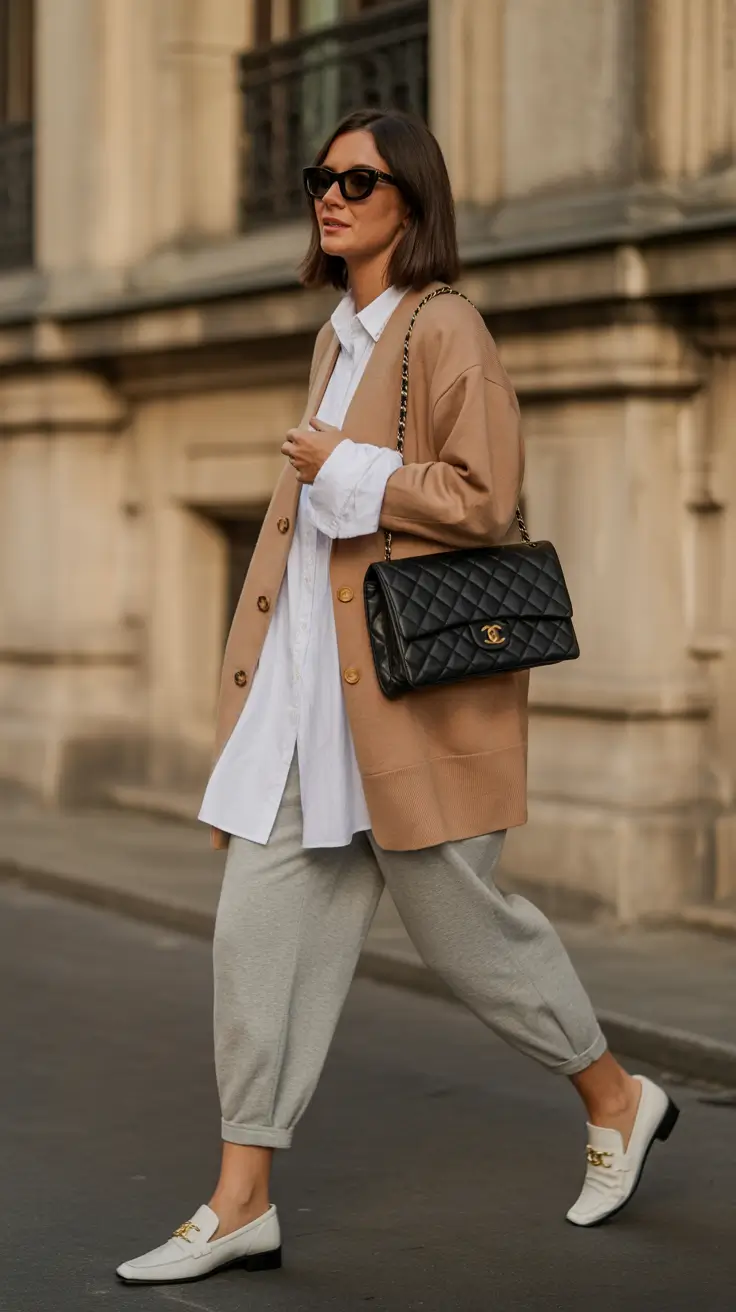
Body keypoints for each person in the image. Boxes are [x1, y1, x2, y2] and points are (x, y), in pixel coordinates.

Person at [116, 108, 679, 1286]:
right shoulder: (338, 337)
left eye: (357, 181)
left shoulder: (447, 327)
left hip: (410, 705)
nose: (330, 195)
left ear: (408, 203)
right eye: (321, 177)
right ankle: (240, 1202)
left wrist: (351, 466)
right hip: (307, 707)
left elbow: (483, 495)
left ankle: (616, 1097)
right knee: (252, 940)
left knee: (474, 941)